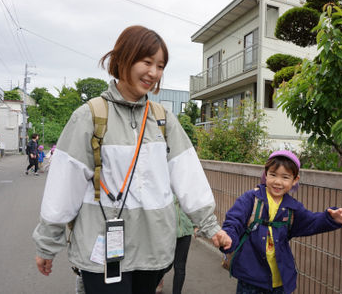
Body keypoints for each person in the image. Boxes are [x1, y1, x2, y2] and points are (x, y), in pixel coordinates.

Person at [32, 25, 231, 294]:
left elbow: (188, 177)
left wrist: (210, 226)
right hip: (100, 251)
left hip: (153, 251)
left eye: (160, 66)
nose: (154, 72)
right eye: (146, 62)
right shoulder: (89, 115)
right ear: (123, 58)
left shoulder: (163, 119)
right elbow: (63, 187)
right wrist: (48, 243)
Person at [221, 150, 342, 294]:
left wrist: (330, 218)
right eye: (273, 175)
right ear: (265, 174)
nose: (278, 182)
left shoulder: (292, 207)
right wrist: (227, 236)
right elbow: (234, 220)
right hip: (251, 277)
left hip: (281, 279)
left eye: (285, 177)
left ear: (295, 180)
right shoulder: (251, 198)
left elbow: (311, 222)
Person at [156, 197, 195, 294]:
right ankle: (156, 282)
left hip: (185, 231)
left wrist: (194, 225)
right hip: (167, 233)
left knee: (180, 267)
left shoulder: (184, 185)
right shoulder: (163, 184)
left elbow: (192, 205)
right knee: (164, 266)